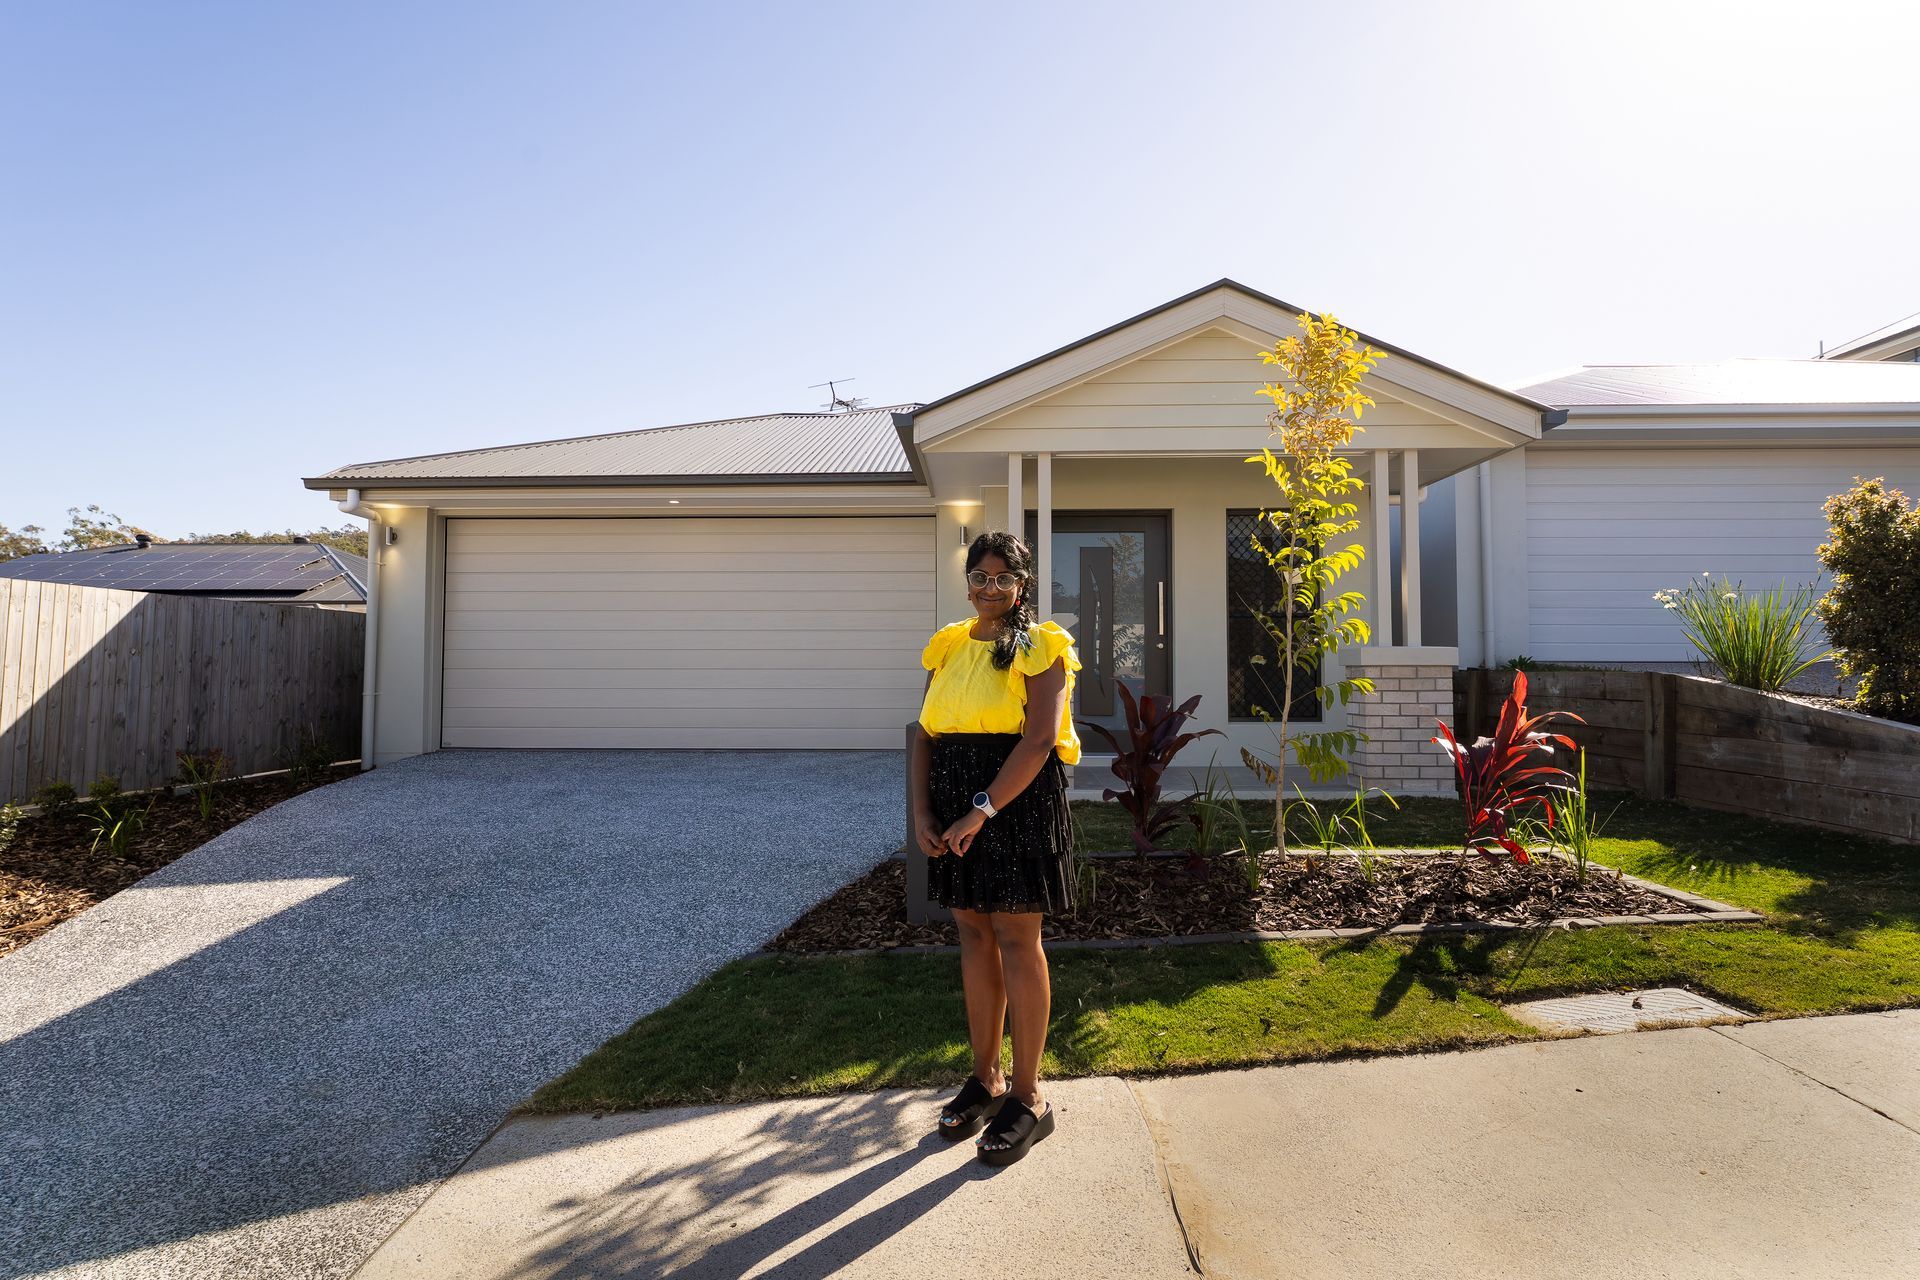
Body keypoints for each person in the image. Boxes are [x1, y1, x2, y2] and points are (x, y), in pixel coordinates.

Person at [909, 529, 1080, 1166]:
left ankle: (1031, 1098)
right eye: (979, 576)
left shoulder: (1041, 645)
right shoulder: (950, 644)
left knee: (1016, 938)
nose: (989, 588)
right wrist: (925, 811)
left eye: (1002, 578)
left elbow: (1039, 739)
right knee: (973, 937)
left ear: (1021, 585)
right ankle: (986, 1078)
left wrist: (981, 811)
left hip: (1013, 803)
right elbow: (926, 733)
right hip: (954, 804)